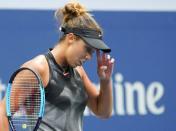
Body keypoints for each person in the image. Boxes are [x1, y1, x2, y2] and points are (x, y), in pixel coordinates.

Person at [0, 1, 115, 131]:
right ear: (71, 38)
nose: (89, 56)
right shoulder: (38, 68)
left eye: (92, 52)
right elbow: (2, 112)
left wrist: (105, 80)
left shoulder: (78, 71)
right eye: (87, 49)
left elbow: (103, 112)